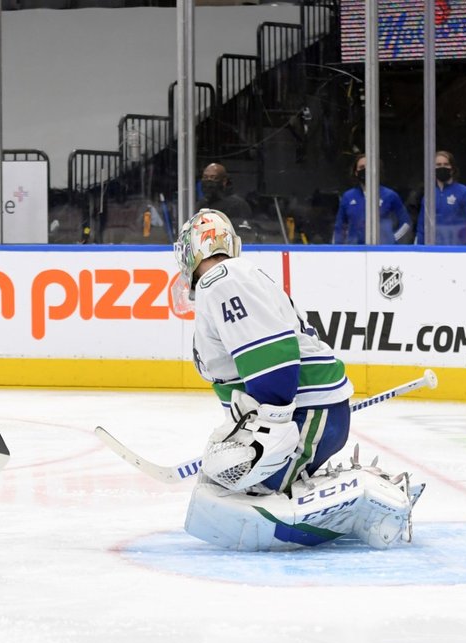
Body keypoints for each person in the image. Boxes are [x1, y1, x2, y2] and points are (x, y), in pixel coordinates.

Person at [171, 209, 423, 551]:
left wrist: (269, 426)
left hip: (304, 414)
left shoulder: (223, 280)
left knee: (244, 493)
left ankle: (372, 496)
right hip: (302, 412)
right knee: (224, 480)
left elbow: (272, 360)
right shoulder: (224, 282)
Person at [332, 154, 412, 244]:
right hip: (354, 252)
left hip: (381, 252)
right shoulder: (348, 197)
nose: (365, 170)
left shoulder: (390, 196)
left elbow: (405, 223)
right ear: (356, 172)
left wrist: (392, 240)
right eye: (361, 167)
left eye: (369, 166)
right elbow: (339, 227)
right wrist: (337, 249)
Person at [415, 150, 466, 245]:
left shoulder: (465, 193)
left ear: (452, 169)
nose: (442, 167)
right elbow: (422, 227)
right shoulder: (429, 195)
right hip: (432, 251)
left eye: (446, 164)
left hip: (458, 251)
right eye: (438, 165)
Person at [198, 162, 253, 229]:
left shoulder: (238, 204)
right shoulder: (201, 204)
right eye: (205, 177)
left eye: (213, 178)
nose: (208, 182)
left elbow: (244, 231)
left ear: (224, 181)